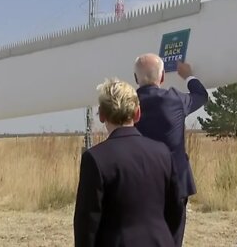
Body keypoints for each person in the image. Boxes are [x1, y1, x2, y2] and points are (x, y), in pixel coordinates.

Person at [73, 78, 181, 247]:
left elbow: (87, 221)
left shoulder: (95, 158)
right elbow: (175, 210)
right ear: (137, 113)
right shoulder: (162, 153)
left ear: (101, 114)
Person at [133, 53, 208, 246]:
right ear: (163, 76)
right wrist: (189, 76)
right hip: (175, 184)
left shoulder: (129, 104)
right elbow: (201, 95)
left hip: (139, 184)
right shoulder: (175, 99)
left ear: (135, 78)